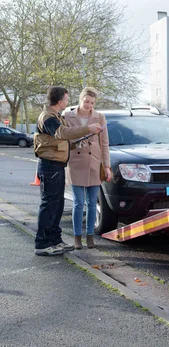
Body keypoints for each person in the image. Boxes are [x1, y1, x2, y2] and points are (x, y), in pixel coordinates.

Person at [34, 86, 103, 256]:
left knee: (57, 205)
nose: (67, 101)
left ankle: (55, 240)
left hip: (56, 166)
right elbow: (61, 133)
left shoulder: (55, 116)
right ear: (60, 101)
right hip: (50, 166)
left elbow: (59, 140)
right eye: (66, 98)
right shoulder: (48, 117)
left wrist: (75, 144)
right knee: (49, 205)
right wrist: (88, 129)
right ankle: (42, 244)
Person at [65, 87, 112, 249]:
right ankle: (77, 237)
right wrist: (76, 142)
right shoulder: (68, 116)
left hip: (94, 164)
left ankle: (90, 236)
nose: (89, 105)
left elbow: (104, 143)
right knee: (78, 203)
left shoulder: (100, 117)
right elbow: (63, 138)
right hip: (76, 164)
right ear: (80, 99)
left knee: (92, 203)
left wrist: (107, 166)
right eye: (86, 101)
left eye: (92, 102)